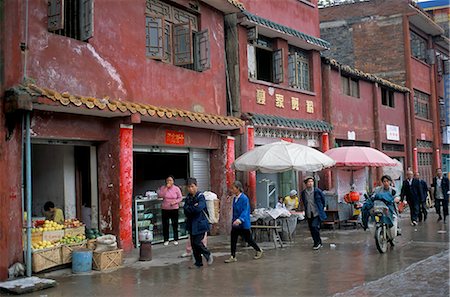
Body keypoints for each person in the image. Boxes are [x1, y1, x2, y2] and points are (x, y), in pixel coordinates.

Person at [224, 181, 263, 263]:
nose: (231, 190)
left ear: (238, 188)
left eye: (233, 188)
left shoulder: (244, 198)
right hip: (235, 223)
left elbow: (245, 211)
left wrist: (240, 219)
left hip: (243, 223)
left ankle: (258, 250)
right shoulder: (235, 198)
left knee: (248, 239)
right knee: (233, 239)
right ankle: (233, 256)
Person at [183, 177, 213, 268]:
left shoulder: (201, 196)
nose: (190, 189)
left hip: (200, 224)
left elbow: (199, 208)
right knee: (193, 244)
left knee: (197, 242)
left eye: (192, 186)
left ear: (196, 186)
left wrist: (191, 208)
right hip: (191, 224)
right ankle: (198, 263)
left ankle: (207, 254)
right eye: (189, 187)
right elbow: (185, 209)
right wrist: (192, 207)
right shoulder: (188, 197)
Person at [371, 175, 400, 245]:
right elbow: (373, 195)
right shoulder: (378, 189)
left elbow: (397, 196)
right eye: (384, 181)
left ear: (390, 182)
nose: (386, 183)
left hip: (390, 209)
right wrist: (372, 197)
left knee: (394, 218)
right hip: (380, 208)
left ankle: (396, 231)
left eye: (387, 181)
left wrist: (397, 199)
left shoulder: (393, 190)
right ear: (382, 182)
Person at [300, 176, 327, 250]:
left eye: (312, 182)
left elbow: (323, 199)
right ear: (306, 183)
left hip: (317, 212)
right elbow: (304, 202)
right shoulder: (303, 193)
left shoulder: (317, 191)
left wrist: (322, 208)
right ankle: (318, 241)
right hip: (309, 212)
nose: (310, 183)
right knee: (311, 228)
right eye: (309, 182)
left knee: (315, 226)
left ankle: (317, 243)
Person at [158, 175, 183, 246]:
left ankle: (176, 239)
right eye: (168, 180)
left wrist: (175, 202)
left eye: (170, 180)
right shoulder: (163, 188)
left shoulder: (176, 188)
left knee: (175, 224)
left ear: (173, 181)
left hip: (174, 208)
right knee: (165, 225)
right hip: (165, 208)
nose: (169, 182)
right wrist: (166, 188)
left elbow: (180, 197)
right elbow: (160, 195)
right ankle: (166, 239)